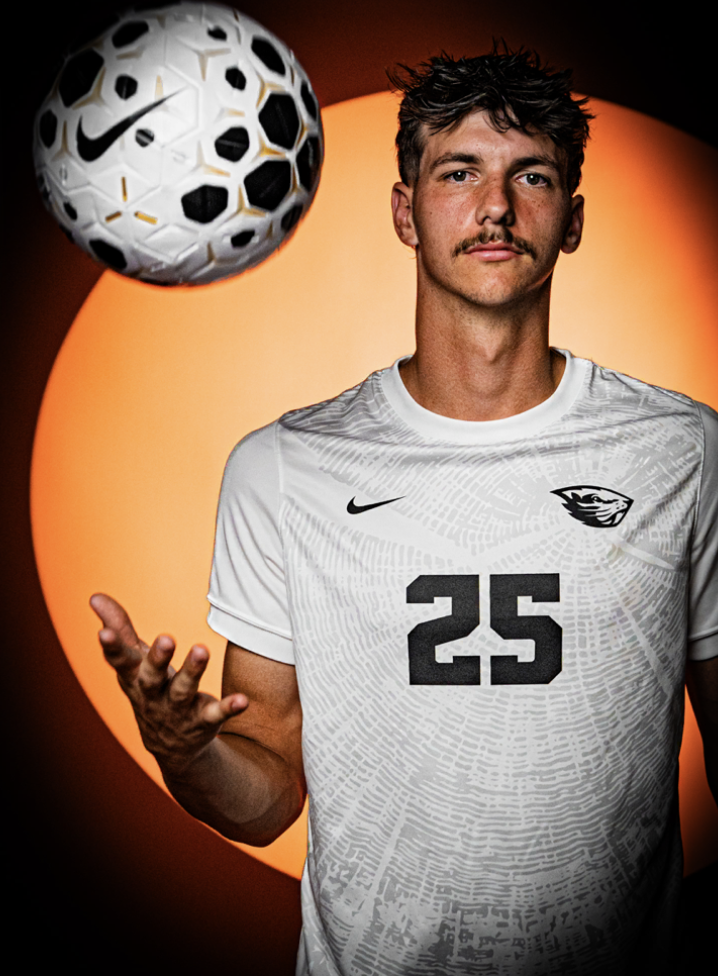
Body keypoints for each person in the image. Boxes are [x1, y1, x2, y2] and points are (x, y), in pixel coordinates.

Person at [92, 49, 718, 975]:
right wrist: (186, 751)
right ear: (405, 212)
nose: (495, 207)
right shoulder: (285, 469)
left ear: (573, 220)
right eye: (458, 173)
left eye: (530, 176)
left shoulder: (686, 452)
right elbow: (266, 793)